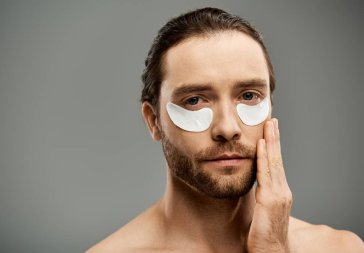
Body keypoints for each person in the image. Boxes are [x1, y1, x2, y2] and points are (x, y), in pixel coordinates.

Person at [87, 7, 363, 253]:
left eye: (248, 96)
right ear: (153, 121)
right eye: (194, 100)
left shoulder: (341, 248)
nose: (227, 128)